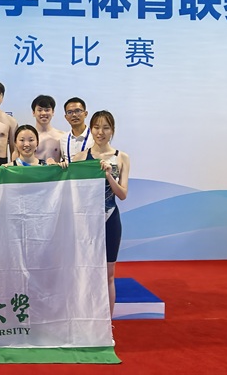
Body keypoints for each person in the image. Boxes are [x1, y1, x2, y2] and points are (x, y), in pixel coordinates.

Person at [72, 110, 130, 319]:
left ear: (112, 130)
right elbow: (74, 192)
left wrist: (108, 175)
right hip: (87, 222)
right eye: (96, 127)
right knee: (85, 272)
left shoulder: (121, 157)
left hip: (110, 219)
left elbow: (122, 194)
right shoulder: (80, 158)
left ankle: (107, 323)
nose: (101, 132)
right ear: (91, 129)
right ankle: (85, 318)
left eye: (106, 128)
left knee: (108, 275)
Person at [30, 95, 65, 163]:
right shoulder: (27, 137)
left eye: (47, 110)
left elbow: (67, 161)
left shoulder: (62, 136)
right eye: (40, 110)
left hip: (54, 170)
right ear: (33, 112)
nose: (43, 113)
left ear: (53, 112)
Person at [59, 96, 94, 163]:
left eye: (78, 111)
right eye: (69, 112)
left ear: (85, 114)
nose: (74, 115)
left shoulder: (94, 137)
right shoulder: (63, 139)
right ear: (66, 117)